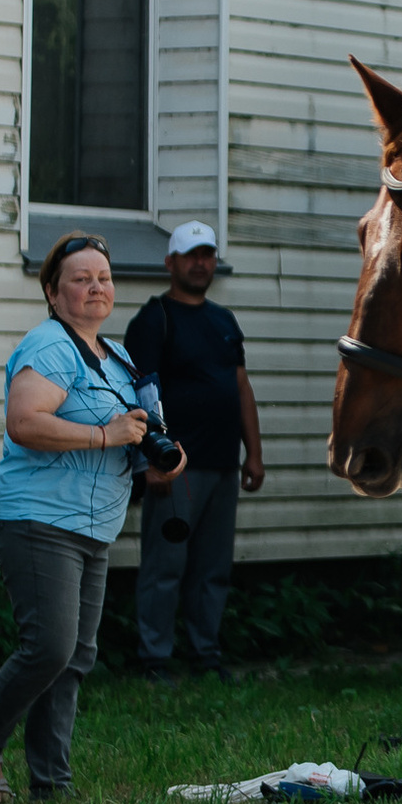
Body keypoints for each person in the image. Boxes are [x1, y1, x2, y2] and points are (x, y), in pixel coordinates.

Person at [0, 233, 184, 804]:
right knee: (51, 646)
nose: (95, 287)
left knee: (74, 656)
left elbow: (132, 433)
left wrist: (157, 451)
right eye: (80, 279)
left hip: (94, 525)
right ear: (52, 292)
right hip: (36, 517)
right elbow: (24, 421)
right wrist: (105, 434)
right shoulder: (50, 346)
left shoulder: (118, 358)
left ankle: (51, 782)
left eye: (103, 278)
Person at [124, 220, 266, 683]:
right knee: (165, 567)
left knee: (212, 568)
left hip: (224, 464)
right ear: (171, 263)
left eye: (207, 254)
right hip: (176, 470)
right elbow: (137, 394)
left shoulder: (224, 320)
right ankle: (154, 659)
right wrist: (149, 463)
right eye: (191, 255)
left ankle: (207, 654)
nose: (200, 263)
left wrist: (254, 453)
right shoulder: (153, 320)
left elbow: (240, 386)